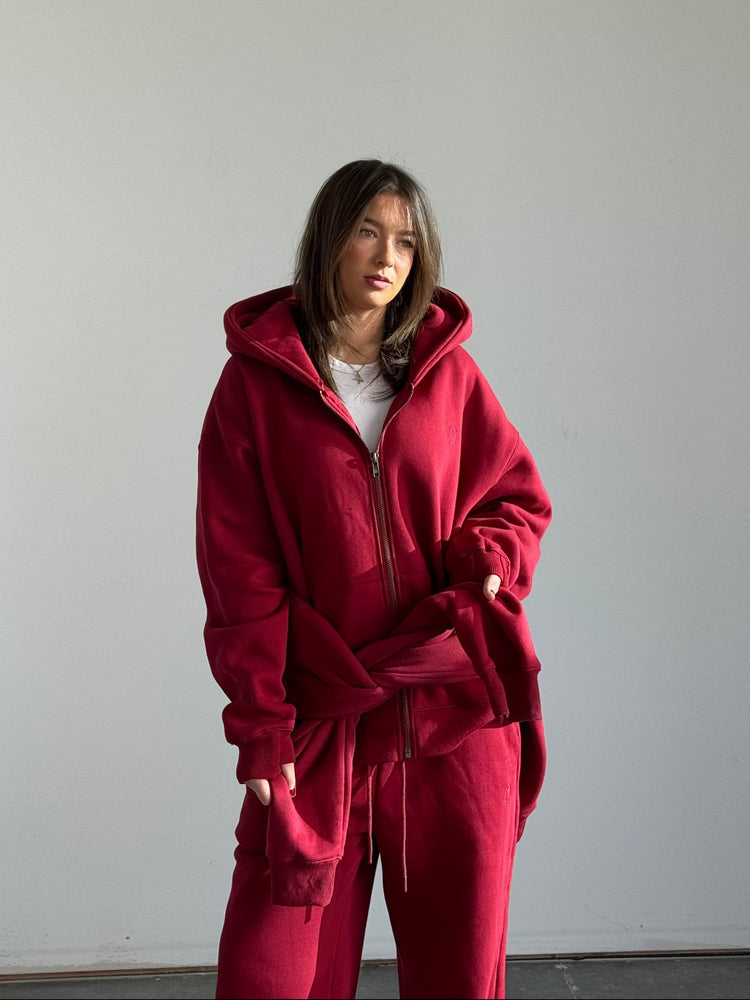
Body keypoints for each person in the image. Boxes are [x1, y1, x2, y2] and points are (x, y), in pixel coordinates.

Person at [196, 158, 552, 1000]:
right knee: (273, 977)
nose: (387, 256)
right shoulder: (253, 387)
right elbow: (239, 575)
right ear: (329, 239)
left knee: (460, 977)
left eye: (405, 241)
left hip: (453, 716)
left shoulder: (449, 375)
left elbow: (516, 498)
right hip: (325, 720)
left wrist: (490, 560)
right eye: (367, 231)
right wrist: (261, 725)